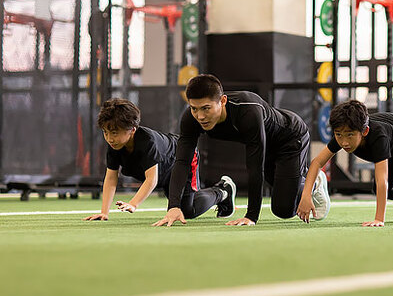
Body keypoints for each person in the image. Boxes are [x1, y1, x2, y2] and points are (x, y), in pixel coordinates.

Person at [153, 74, 330, 228]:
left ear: (222, 101)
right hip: (265, 144)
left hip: (290, 138)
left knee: (284, 210)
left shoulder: (247, 111)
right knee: (282, 199)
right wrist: (173, 207)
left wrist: (251, 216)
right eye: (194, 108)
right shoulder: (191, 119)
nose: (200, 116)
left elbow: (255, 166)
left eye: (206, 108)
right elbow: (182, 161)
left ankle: (314, 182)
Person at [84, 98, 235, 223]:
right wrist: (104, 213)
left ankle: (223, 190)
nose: (110, 138)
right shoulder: (114, 146)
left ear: (132, 129)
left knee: (188, 211)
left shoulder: (147, 142)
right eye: (105, 132)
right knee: (179, 208)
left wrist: (133, 204)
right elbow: (111, 178)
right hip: (165, 170)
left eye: (114, 132)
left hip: (184, 157)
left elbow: (151, 179)